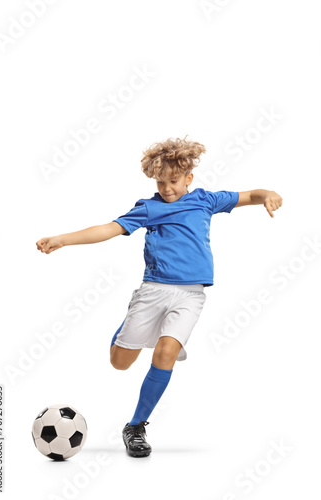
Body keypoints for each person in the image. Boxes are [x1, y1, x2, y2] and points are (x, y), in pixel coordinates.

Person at [36, 135, 283, 458]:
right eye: (161, 182)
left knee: (166, 353)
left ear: (189, 179)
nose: (167, 188)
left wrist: (270, 195)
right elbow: (109, 229)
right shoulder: (149, 208)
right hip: (153, 292)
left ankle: (136, 426)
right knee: (120, 363)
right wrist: (63, 239)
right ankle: (131, 322)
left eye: (174, 181)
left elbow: (250, 194)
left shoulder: (205, 200)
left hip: (191, 296)